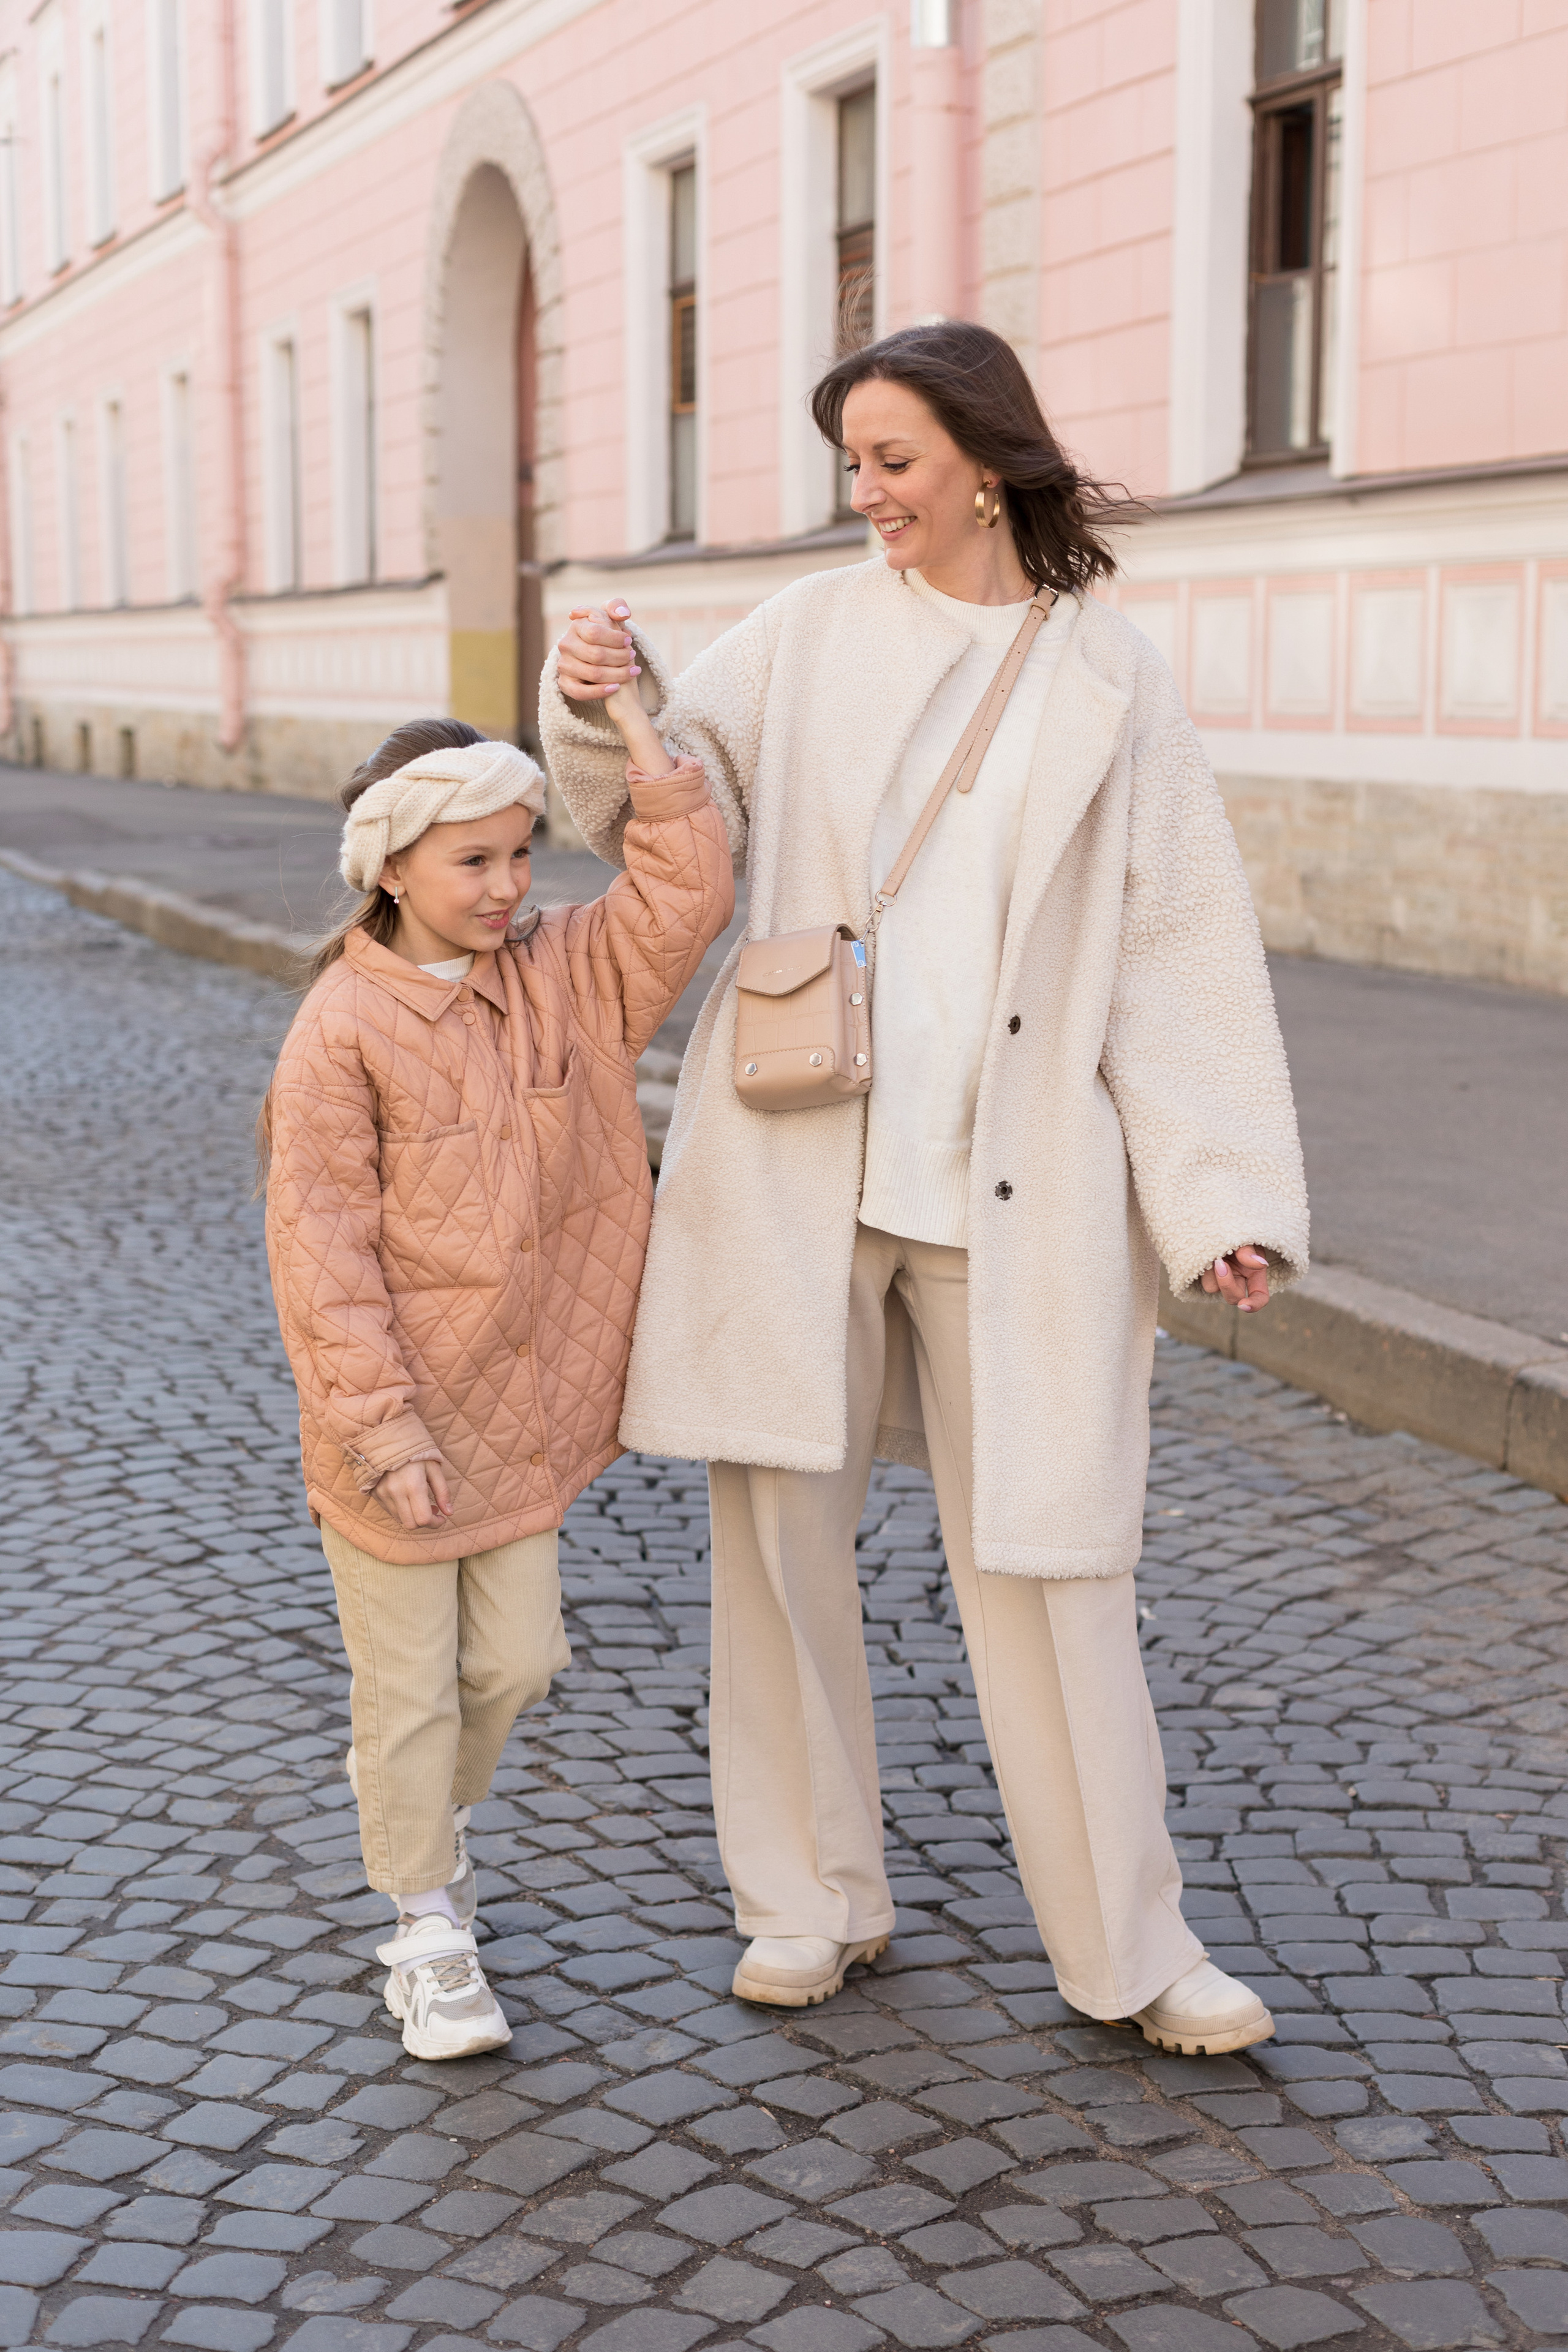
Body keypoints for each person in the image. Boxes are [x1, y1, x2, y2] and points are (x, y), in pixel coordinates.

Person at [540, 320, 1308, 2058]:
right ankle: (809, 1901)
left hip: (1023, 1184)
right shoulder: (807, 633)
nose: (869, 494)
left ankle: (1134, 1949)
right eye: (855, 465)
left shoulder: (1116, 676)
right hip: (809, 1154)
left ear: (982, 456)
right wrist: (604, 693)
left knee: (1054, 1566)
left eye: (892, 459)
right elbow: (674, 807)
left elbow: (1183, 944)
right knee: (778, 1553)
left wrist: (1223, 1194)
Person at [260, 705, 733, 2059]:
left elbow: (685, 891)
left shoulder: (565, 976)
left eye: (520, 854)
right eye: (474, 862)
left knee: (518, 1663)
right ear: (392, 869)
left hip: (520, 1412)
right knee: (408, 1687)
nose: (510, 886)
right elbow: (322, 1255)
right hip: (393, 1419)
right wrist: (379, 1425)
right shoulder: (338, 1033)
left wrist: (629, 718)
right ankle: (425, 1929)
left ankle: (420, 1819)